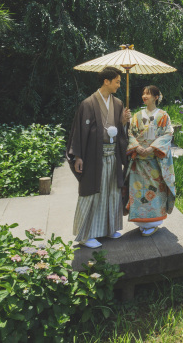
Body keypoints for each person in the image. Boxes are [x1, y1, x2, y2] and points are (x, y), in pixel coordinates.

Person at [66, 66, 131, 248]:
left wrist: (123, 122)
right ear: (106, 81)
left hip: (113, 155)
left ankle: (109, 229)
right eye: (117, 81)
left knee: (111, 192)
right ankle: (86, 235)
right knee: (91, 193)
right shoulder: (88, 103)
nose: (119, 85)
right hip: (94, 155)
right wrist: (78, 156)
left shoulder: (118, 103)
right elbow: (79, 131)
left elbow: (118, 130)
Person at [126, 85, 176, 236]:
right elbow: (130, 133)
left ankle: (153, 222)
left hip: (154, 161)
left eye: (148, 94)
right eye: (143, 93)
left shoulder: (163, 116)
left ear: (156, 97)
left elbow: (167, 134)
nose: (144, 96)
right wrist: (136, 147)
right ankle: (142, 222)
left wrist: (152, 148)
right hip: (139, 161)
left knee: (154, 191)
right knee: (138, 191)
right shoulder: (136, 116)